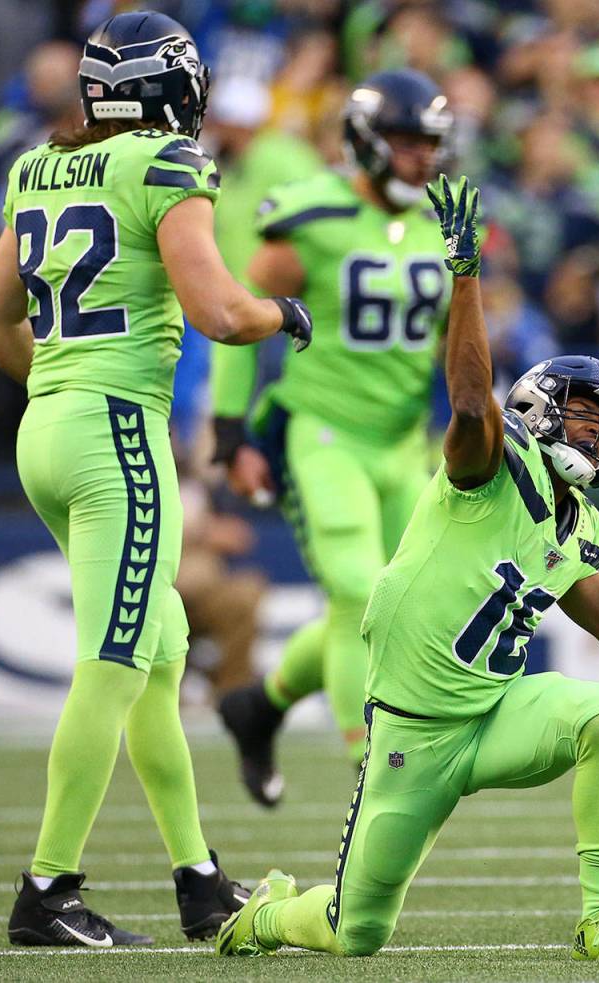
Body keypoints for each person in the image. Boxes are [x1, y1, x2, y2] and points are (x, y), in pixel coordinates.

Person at [214, 174, 599, 963]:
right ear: (540, 408)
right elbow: (467, 399)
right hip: (412, 735)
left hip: (493, 714)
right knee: (357, 933)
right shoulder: (493, 459)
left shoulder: (578, 522)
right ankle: (268, 914)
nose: (595, 441)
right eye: (585, 419)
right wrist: (466, 276)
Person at [0, 11, 312, 946]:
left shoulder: (37, 165)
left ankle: (199, 879)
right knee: (116, 663)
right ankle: (48, 889)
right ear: (174, 87)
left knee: (157, 654)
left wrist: (59, 381)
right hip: (117, 432)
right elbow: (218, 311)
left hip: (49, 429)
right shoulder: (163, 164)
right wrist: (283, 312)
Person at [213, 69, 454, 805]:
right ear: (367, 142)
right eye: (405, 142)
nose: (420, 158)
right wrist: (231, 433)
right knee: (358, 590)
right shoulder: (311, 216)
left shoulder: (446, 224)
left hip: (404, 440)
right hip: (322, 432)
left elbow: (460, 337)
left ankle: (259, 704)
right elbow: (241, 317)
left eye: (429, 143)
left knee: (409, 603)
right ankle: (374, 768)